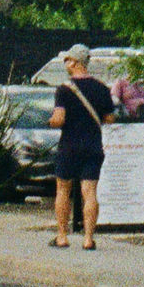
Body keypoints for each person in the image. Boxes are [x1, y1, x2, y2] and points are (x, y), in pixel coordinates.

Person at [49, 45, 115, 251]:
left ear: (75, 62)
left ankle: (62, 236)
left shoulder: (64, 90)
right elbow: (110, 118)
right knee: (90, 192)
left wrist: (50, 121)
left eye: (67, 60)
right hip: (93, 145)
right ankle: (88, 239)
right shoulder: (102, 88)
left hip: (69, 146)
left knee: (63, 189)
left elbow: (59, 119)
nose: (65, 64)